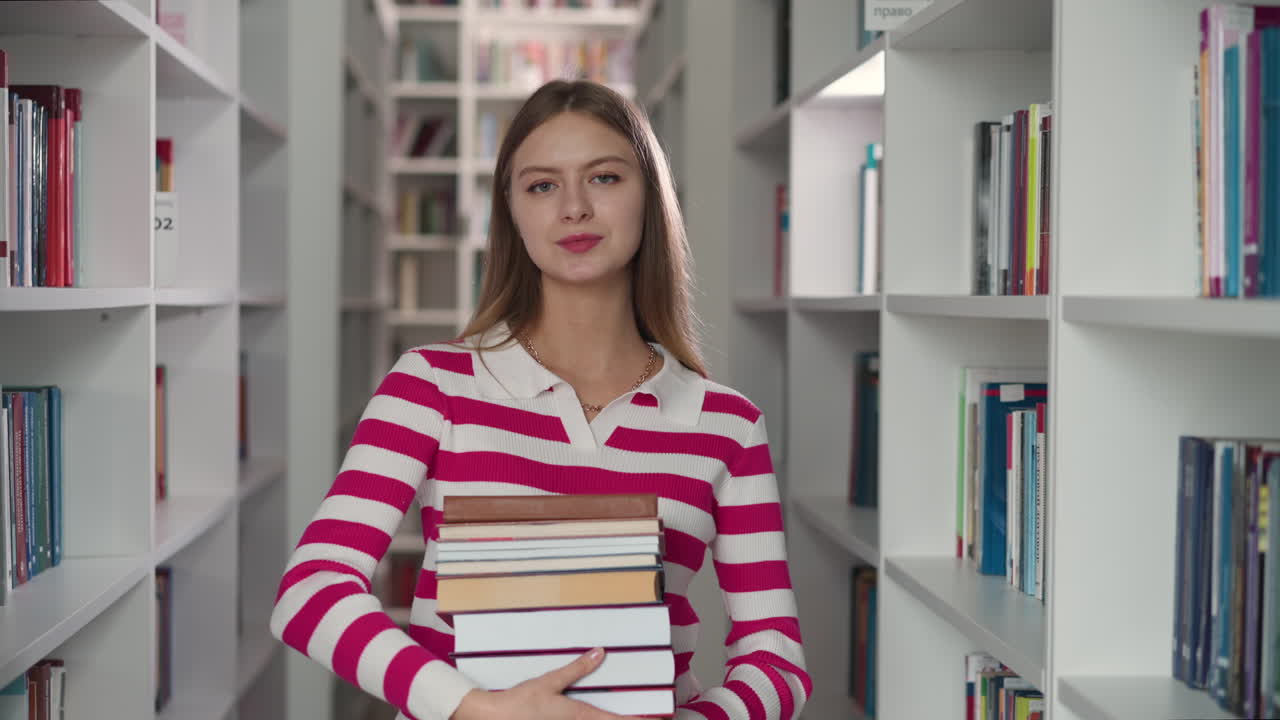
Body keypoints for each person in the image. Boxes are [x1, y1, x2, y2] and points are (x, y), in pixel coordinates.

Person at [270, 79, 810, 720]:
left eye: (604, 178)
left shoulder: (728, 425)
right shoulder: (432, 384)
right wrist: (475, 708)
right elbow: (311, 592)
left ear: (649, 197)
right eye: (542, 186)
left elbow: (776, 661)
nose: (574, 208)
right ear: (512, 213)